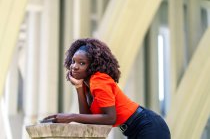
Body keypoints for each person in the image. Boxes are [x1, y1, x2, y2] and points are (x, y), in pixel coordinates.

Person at [43, 38, 171, 139]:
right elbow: (87, 118)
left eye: (82, 63)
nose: (74, 66)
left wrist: (71, 117)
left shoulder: (99, 80)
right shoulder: (88, 84)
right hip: (133, 129)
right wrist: (79, 87)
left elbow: (110, 118)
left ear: (92, 65)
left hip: (148, 125)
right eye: (73, 61)